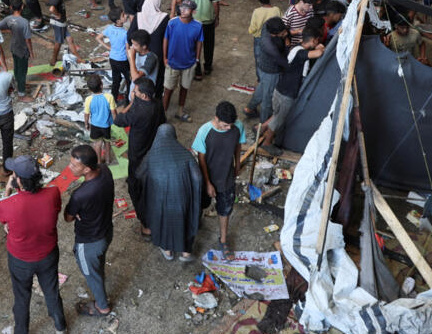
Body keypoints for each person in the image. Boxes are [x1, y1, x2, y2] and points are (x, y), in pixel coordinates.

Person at [0, 156, 66, 334]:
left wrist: (8, 189)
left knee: (21, 298)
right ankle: (61, 329)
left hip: (20, 259)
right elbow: (55, 209)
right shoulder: (53, 194)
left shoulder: (7, 204)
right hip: (48, 253)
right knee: (51, 291)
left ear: (18, 180)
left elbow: (4, 219)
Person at [137, 124, 203, 261]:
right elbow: (198, 177)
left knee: (163, 223)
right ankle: (186, 254)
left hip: (159, 200)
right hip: (182, 199)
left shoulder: (152, 155)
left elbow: (139, 174)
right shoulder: (185, 153)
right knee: (184, 221)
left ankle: (168, 252)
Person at [65, 144, 115, 317]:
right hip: (106, 231)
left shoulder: (80, 195)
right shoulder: (105, 171)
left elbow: (68, 218)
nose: (70, 167)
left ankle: (102, 307)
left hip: (89, 244)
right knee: (97, 266)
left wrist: (78, 211)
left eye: (74, 165)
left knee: (91, 275)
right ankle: (98, 274)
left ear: (86, 169)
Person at [192, 103, 246, 258]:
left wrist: (237, 163)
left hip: (226, 177)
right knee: (199, 205)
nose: (229, 128)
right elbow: (201, 159)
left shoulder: (238, 126)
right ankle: (196, 223)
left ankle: (223, 240)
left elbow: (237, 145)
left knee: (225, 209)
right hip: (206, 177)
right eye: (225, 125)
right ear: (216, 118)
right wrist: (208, 183)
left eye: (231, 124)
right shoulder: (204, 131)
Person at [257, 27, 322, 152]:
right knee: (278, 119)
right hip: (287, 94)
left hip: (280, 88)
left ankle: (262, 130)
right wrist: (321, 47)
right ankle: (267, 142)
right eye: (317, 41)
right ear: (313, 40)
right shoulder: (301, 53)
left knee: (277, 115)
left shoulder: (296, 47)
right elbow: (318, 53)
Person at [113, 78, 164, 236]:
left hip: (139, 154)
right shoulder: (157, 104)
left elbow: (119, 120)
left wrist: (130, 103)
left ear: (143, 96)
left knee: (136, 187)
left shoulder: (138, 110)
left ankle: (146, 225)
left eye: (135, 91)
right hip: (154, 149)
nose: (132, 93)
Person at [162, 1, 204, 120]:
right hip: (172, 63)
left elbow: (199, 42)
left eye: (187, 8)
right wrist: (165, 57)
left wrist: (197, 59)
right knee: (168, 89)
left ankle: (180, 111)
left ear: (193, 11)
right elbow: (166, 39)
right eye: (181, 8)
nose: (183, 10)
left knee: (184, 88)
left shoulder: (198, 25)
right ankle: (163, 114)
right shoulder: (172, 23)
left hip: (189, 63)